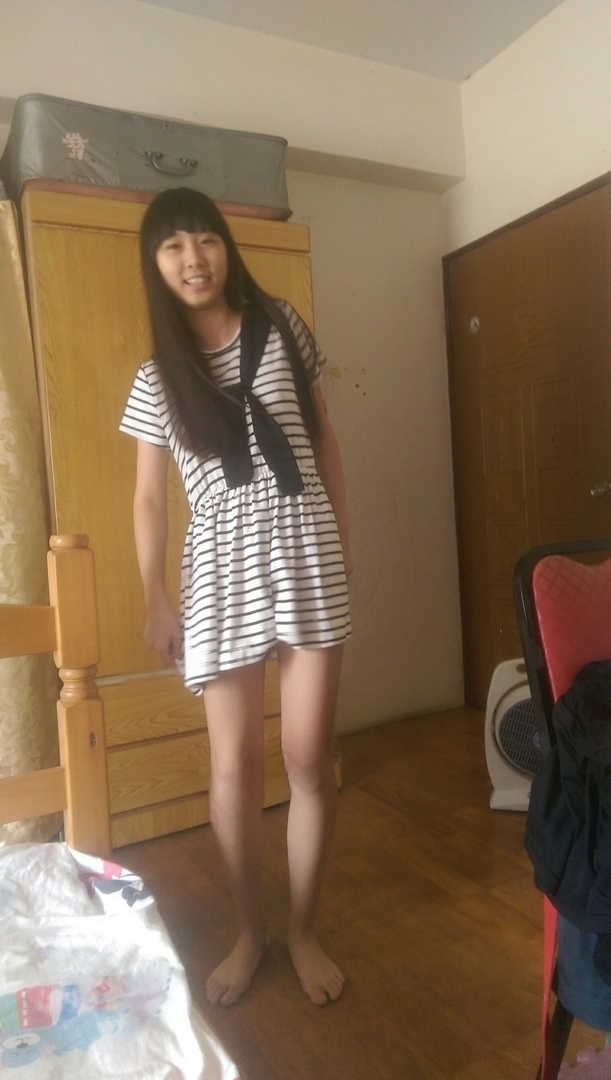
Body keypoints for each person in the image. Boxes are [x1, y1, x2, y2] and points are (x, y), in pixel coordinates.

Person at [120, 187, 352, 1008]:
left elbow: (322, 438)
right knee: (233, 765)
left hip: (306, 549)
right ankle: (250, 932)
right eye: (173, 246)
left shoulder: (282, 325)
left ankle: (303, 927)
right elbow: (149, 499)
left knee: (307, 755)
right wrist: (154, 597)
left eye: (206, 239)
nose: (194, 258)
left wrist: (341, 543)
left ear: (226, 246)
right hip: (218, 570)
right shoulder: (156, 375)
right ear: (156, 264)